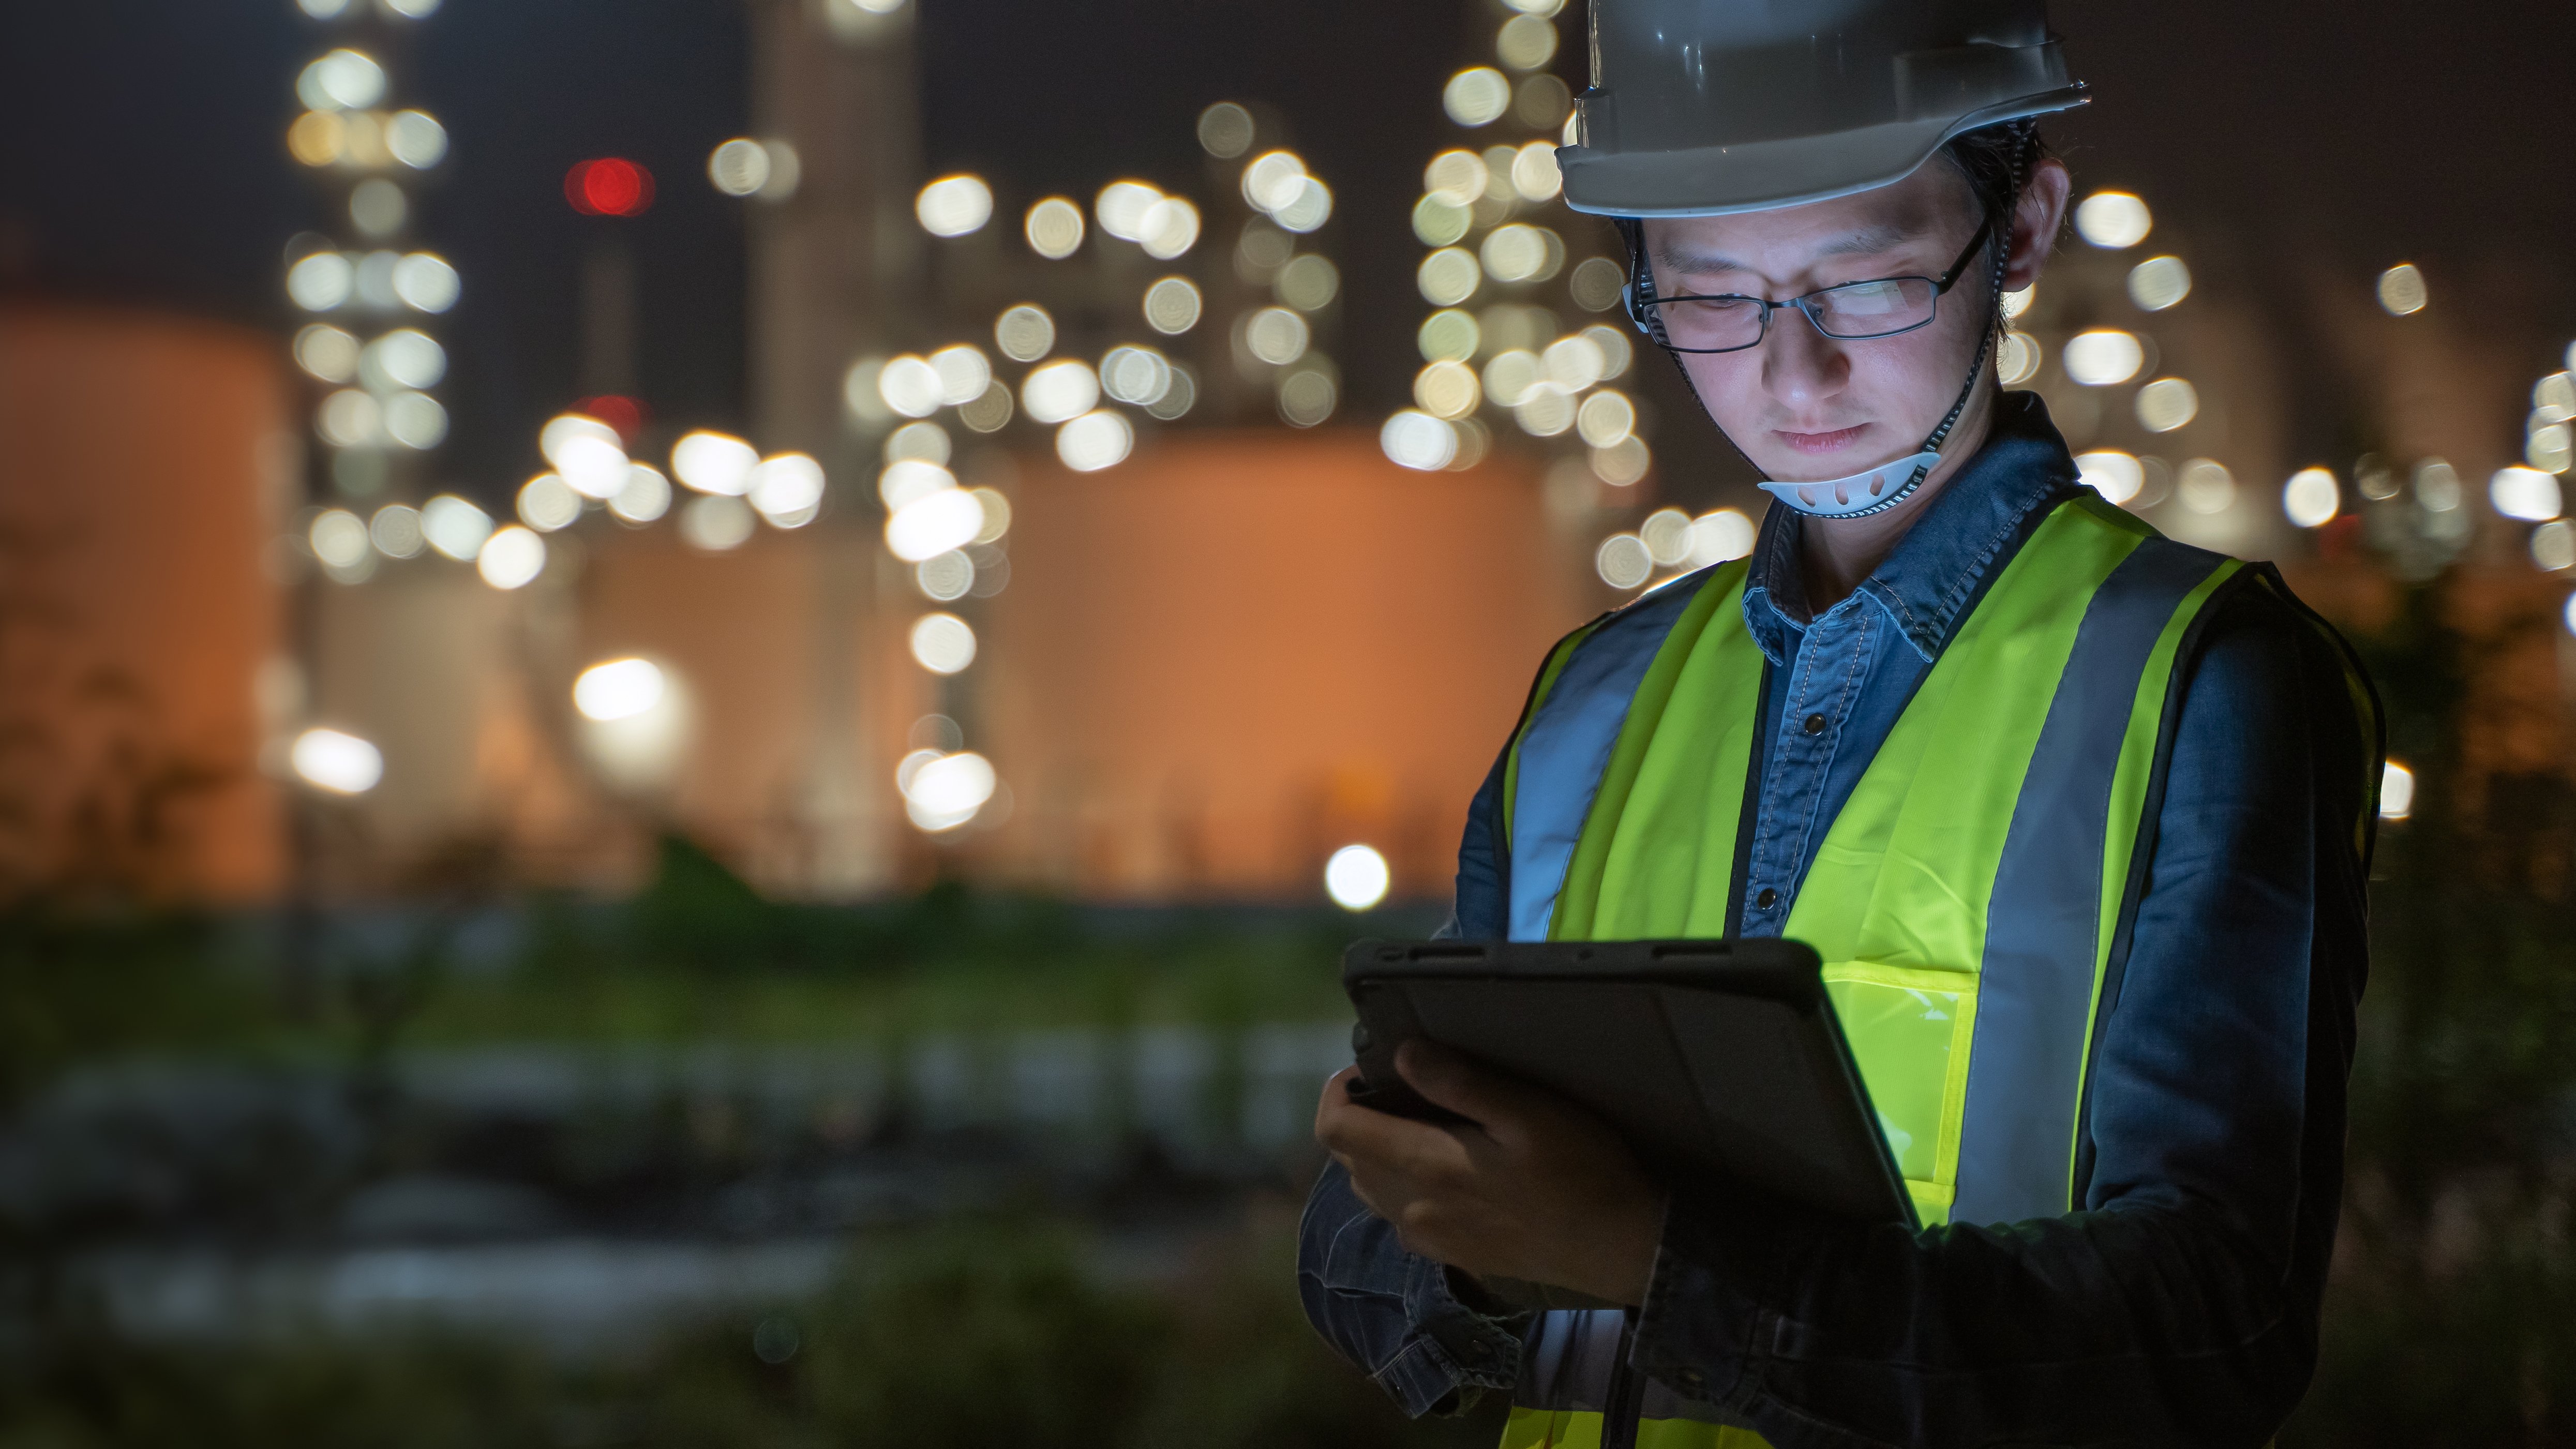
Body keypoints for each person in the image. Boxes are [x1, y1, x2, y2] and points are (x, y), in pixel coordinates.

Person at [1297, 4, 2384, 1447]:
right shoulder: (1591, 699)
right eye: (1711, 296)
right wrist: (1462, 1230)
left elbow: (2208, 1324)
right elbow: (1351, 1251)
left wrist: (1652, 1257)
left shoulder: (2201, 677)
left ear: (2018, 228)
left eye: (1863, 284)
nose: (1789, 374)